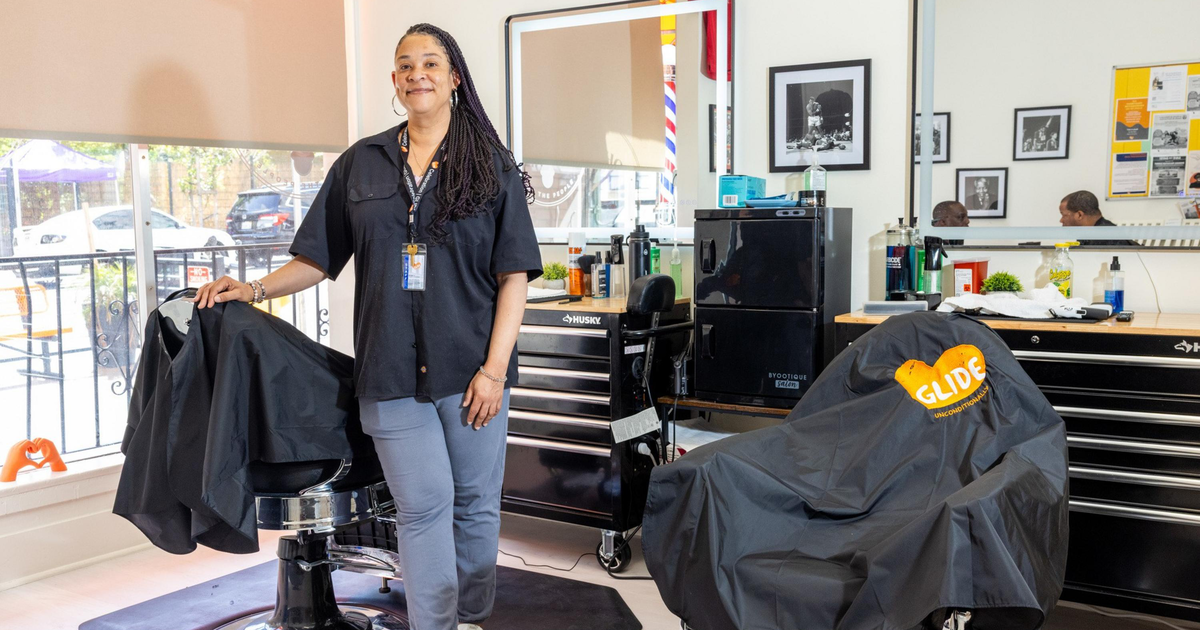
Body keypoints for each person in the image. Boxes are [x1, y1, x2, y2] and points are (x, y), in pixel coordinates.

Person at [192, 23, 542, 630]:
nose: (417, 74)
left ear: (454, 78)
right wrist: (253, 289)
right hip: (389, 371)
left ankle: (472, 613)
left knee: (474, 504)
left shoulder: (490, 166)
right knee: (423, 507)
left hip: (473, 373)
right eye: (405, 65)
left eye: (430, 63)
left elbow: (514, 276)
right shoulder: (361, 163)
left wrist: (493, 372)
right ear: (394, 80)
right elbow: (316, 257)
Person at [1058, 190, 1137, 247]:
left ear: (1079, 215)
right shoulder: (1089, 235)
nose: (1061, 220)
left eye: (1064, 215)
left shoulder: (1106, 238)